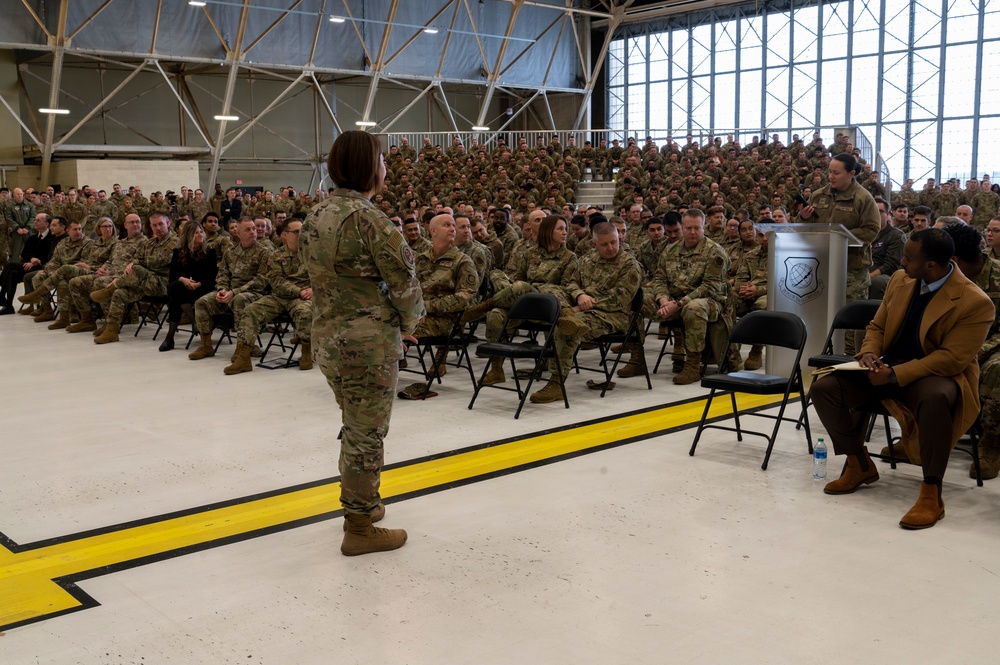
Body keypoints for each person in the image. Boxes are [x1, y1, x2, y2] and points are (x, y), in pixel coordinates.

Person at [809, 229, 994, 529]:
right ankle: (859, 465)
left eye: (908, 257)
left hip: (933, 374)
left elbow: (951, 358)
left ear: (931, 265)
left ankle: (932, 492)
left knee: (935, 399)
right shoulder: (901, 279)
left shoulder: (976, 302)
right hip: (886, 367)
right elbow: (877, 326)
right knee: (824, 388)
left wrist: (895, 375)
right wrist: (868, 353)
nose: (901, 261)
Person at [300, 131, 424, 556]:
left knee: (356, 426)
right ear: (368, 168)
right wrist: (410, 322)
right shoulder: (371, 220)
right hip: (368, 346)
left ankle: (364, 505)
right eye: (382, 161)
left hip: (329, 341)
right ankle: (358, 526)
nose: (386, 168)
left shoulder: (316, 216)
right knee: (366, 433)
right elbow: (406, 286)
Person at [461, 214, 582, 386]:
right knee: (496, 314)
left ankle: (486, 305)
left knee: (521, 288)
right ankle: (496, 369)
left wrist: (535, 289)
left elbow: (567, 289)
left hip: (549, 307)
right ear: (548, 231)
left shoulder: (570, 258)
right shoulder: (530, 254)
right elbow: (516, 279)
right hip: (524, 305)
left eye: (565, 229)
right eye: (560, 229)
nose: (565, 233)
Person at [797, 153, 881, 352]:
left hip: (851, 270)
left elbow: (872, 230)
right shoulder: (818, 195)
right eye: (829, 171)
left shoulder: (863, 198)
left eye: (836, 172)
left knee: (851, 321)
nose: (831, 176)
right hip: (821, 265)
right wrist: (803, 217)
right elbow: (805, 227)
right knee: (820, 316)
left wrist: (839, 237)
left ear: (851, 173)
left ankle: (850, 360)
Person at [225, 217, 313, 374]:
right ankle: (243, 357)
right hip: (279, 297)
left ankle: (306, 352)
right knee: (250, 310)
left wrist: (313, 289)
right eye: (296, 232)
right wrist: (298, 290)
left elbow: (323, 276)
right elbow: (276, 280)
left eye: (303, 231)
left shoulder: (312, 254)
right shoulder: (276, 255)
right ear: (285, 235)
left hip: (302, 298)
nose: (301, 234)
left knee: (305, 312)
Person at [187, 218, 269, 361]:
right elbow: (223, 274)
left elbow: (262, 280)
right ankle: (206, 345)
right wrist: (222, 289)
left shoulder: (264, 253)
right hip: (230, 292)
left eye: (254, 229)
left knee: (239, 300)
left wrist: (234, 292)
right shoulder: (230, 252)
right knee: (202, 302)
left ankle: (243, 348)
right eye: (248, 229)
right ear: (238, 232)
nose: (253, 232)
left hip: (254, 293)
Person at [90, 211, 178, 344]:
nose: (158, 228)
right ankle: (112, 330)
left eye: (161, 224)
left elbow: (160, 260)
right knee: (120, 293)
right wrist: (133, 263)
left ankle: (111, 288)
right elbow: (137, 258)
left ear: (168, 223)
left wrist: (135, 263)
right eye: (154, 225)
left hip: (162, 283)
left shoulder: (175, 242)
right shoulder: (150, 243)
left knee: (135, 269)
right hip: (144, 281)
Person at [19, 217, 116, 330]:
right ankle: (48, 311)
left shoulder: (88, 243)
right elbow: (54, 260)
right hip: (66, 271)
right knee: (38, 278)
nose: (78, 232)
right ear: (68, 231)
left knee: (64, 275)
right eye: (75, 229)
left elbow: (86, 262)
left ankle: (38, 295)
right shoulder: (63, 243)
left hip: (82, 270)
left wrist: (86, 266)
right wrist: (52, 271)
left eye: (80, 229)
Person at [159, 222, 217, 352]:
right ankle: (194, 321)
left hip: (203, 288)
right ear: (189, 235)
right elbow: (172, 276)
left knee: (175, 294)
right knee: (175, 287)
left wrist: (198, 284)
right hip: (184, 289)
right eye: (196, 232)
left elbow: (211, 277)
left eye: (201, 231)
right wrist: (183, 280)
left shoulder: (210, 252)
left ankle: (170, 338)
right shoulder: (178, 252)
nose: (200, 234)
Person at [0, 213, 55, 314]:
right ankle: (8, 305)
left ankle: (1, 295)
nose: (35, 222)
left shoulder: (52, 238)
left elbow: (51, 256)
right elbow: (24, 253)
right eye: (35, 220)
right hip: (29, 266)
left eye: (38, 220)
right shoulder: (33, 238)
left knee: (9, 265)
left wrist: (37, 261)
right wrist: (31, 259)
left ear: (46, 223)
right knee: (12, 273)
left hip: (42, 267)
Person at [868, 197, 906, 299]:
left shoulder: (896, 235)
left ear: (888, 214)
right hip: (862, 271)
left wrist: (869, 276)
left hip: (883, 274)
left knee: (877, 282)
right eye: (872, 211)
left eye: (880, 211)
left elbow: (891, 265)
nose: (875, 214)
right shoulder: (863, 233)